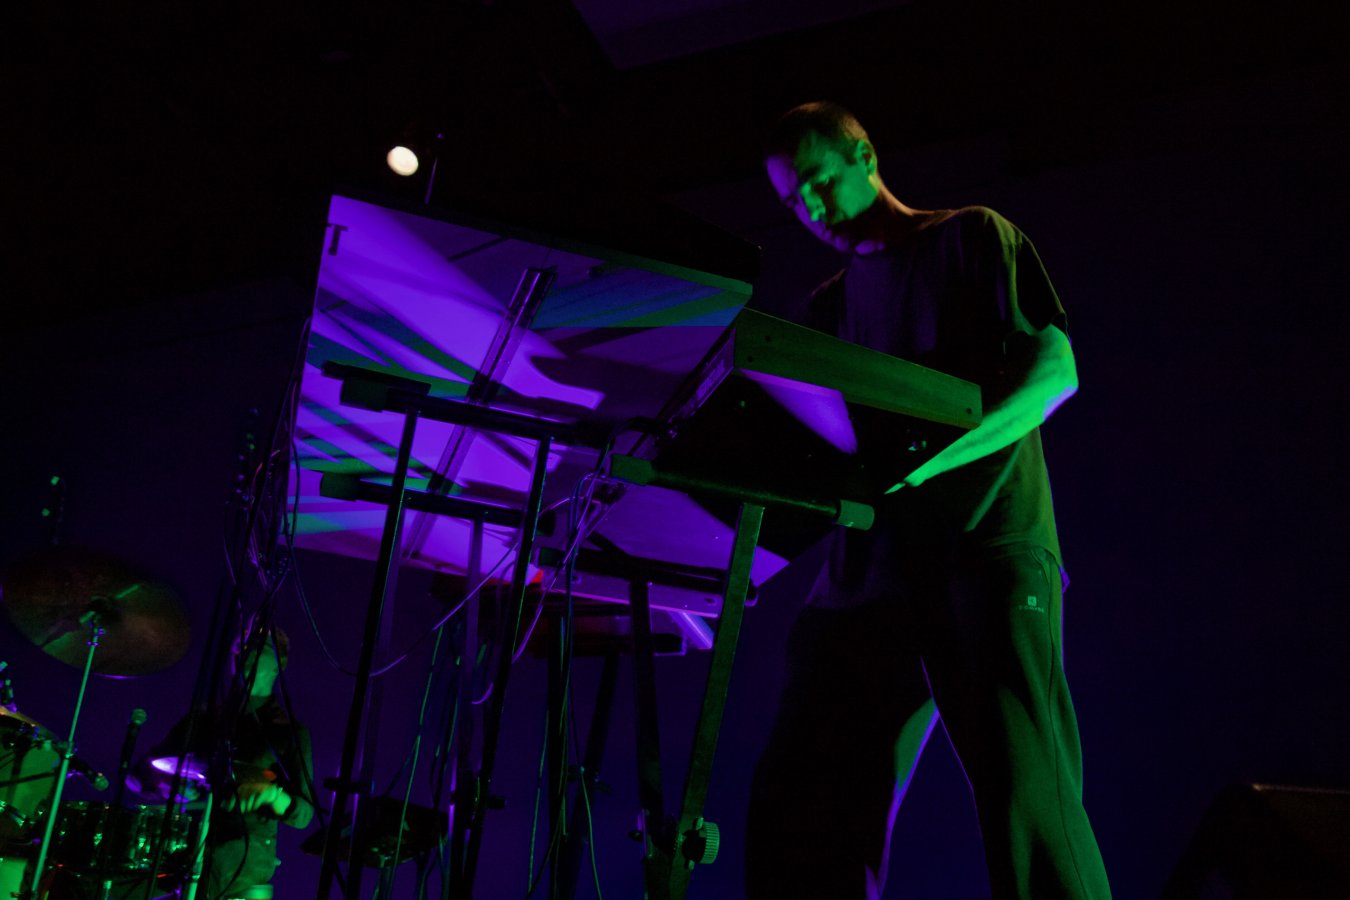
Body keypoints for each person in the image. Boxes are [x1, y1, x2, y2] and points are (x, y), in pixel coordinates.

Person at [746, 101, 1111, 900]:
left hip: (985, 547)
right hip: (867, 577)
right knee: (806, 807)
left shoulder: (971, 236)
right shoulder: (827, 308)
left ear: (864, 156)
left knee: (1027, 798)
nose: (811, 208)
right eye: (793, 200)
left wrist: (932, 464)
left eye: (818, 181)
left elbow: (1055, 373)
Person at [146, 626, 315, 900]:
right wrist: (169, 788)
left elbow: (304, 814)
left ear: (278, 665)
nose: (245, 653)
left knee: (211, 873)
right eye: (240, 647)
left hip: (242, 856)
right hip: (182, 846)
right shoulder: (202, 719)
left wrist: (271, 794)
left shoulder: (288, 731)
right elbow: (141, 774)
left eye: (258, 648)